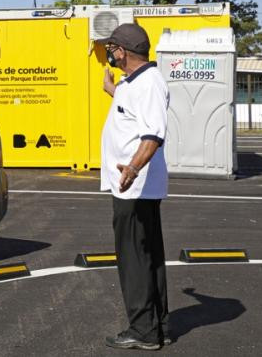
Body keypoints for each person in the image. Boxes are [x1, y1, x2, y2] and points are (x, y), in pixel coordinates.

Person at [98, 23, 171, 351]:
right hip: (132, 185)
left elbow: (153, 134)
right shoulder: (133, 83)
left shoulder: (150, 84)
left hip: (134, 186)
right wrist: (112, 90)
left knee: (134, 258)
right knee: (148, 255)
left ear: (123, 51)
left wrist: (132, 168)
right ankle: (157, 327)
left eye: (111, 48)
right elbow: (133, 112)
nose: (109, 53)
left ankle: (143, 330)